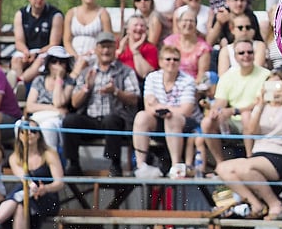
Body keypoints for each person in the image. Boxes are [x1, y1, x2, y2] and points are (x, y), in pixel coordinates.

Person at [215, 72, 282, 219]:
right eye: (270, 86)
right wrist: (260, 105)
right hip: (261, 154)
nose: (274, 90)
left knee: (246, 167)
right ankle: (256, 204)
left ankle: (275, 204)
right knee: (222, 168)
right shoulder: (261, 107)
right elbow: (251, 131)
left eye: (278, 85)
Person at [61, 31, 139, 178]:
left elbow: (134, 98)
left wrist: (115, 91)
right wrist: (86, 88)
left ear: (114, 49)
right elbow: (74, 102)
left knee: (111, 120)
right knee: (70, 120)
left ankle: (115, 164)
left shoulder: (125, 71)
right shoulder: (86, 72)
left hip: (115, 119)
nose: (105, 51)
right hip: (90, 119)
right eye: (102, 47)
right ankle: (73, 163)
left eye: (109, 47)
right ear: (96, 49)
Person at [132, 44, 201, 179]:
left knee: (172, 118)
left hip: (184, 123)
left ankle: (176, 166)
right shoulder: (152, 78)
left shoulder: (188, 80)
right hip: (159, 119)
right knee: (141, 117)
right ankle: (141, 166)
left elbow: (186, 110)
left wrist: (161, 106)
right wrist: (160, 109)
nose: (171, 63)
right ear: (160, 62)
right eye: (168, 59)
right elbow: (148, 107)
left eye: (175, 60)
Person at [200, 39, 270, 171]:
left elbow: (260, 102)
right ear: (235, 57)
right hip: (232, 122)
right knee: (207, 122)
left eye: (249, 52)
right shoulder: (228, 76)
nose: (246, 55)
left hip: (256, 119)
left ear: (254, 54)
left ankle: (250, 160)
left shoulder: (265, 74)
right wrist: (215, 110)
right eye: (241, 52)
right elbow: (221, 101)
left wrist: (235, 110)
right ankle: (219, 163)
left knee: (246, 116)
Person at [23, 45, 76, 152]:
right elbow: (30, 106)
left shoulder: (69, 81)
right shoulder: (39, 80)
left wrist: (59, 79)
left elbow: (58, 102)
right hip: (39, 116)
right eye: (54, 62)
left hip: (57, 120)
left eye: (61, 62)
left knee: (48, 127)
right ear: (48, 63)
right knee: (20, 126)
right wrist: (52, 109)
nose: (58, 65)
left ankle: (51, 161)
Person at [10, 0, 64, 84]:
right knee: (16, 60)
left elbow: (54, 43)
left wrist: (37, 53)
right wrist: (26, 52)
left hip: (47, 51)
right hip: (28, 51)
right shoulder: (21, 14)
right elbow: (19, 42)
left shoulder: (55, 15)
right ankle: (17, 87)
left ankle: (19, 82)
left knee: (40, 61)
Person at [64, 0, 113, 77]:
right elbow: (66, 40)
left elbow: (108, 39)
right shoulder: (71, 13)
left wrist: (92, 54)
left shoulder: (103, 14)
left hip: (95, 57)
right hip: (73, 56)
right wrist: (75, 56)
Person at [163, 5, 210, 84]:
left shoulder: (203, 48)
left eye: (191, 21)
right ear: (178, 23)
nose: (188, 23)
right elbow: (164, 67)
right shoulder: (169, 42)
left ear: (196, 25)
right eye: (185, 20)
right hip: (170, 83)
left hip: (192, 86)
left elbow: (201, 75)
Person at [216, 13, 267, 77]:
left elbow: (256, 69)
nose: (244, 30)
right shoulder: (226, 50)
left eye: (247, 27)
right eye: (240, 27)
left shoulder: (259, 45)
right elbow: (222, 76)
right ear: (232, 29)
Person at [116, 14, 159, 81]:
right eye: (135, 25)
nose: (139, 28)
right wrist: (119, 51)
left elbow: (144, 74)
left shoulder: (150, 48)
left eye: (142, 26)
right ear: (127, 29)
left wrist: (136, 51)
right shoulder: (118, 44)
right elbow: (107, 65)